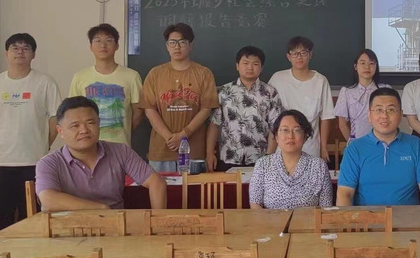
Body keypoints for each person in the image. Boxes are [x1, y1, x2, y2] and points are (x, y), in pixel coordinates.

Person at [0, 33, 62, 232]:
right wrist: (5, 138)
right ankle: (0, 251)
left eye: (26, 48)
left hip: (33, 161)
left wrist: (44, 143)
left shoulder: (45, 82)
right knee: (0, 218)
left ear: (33, 54)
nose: (20, 52)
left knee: (32, 217)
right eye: (15, 48)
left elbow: (55, 117)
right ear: (6, 53)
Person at [35, 97, 167, 211]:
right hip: (68, 228)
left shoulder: (120, 151)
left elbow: (156, 182)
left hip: (115, 227)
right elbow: (48, 199)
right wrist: (100, 209)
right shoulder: (49, 163)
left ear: (99, 123)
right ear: (60, 131)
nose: (84, 130)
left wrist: (158, 221)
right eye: (75, 126)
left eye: (90, 123)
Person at [337, 87, 420, 206]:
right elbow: (345, 193)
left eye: (391, 110)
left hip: (408, 217)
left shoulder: (415, 145)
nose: (384, 115)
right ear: (369, 115)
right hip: (366, 217)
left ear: (400, 115)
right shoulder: (355, 148)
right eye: (378, 110)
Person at [139, 23, 218, 172]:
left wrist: (183, 135)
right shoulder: (155, 74)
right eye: (172, 42)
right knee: (161, 186)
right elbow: (149, 109)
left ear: (190, 45)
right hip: (161, 149)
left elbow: (206, 109)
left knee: (194, 187)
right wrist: (169, 137)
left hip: (194, 150)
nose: (177, 47)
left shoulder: (204, 73)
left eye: (182, 42)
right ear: (167, 46)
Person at [206, 46, 282, 171]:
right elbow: (214, 125)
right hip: (229, 158)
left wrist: (269, 157)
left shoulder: (270, 93)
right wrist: (209, 154)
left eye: (255, 64)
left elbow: (275, 127)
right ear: (237, 66)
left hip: (260, 159)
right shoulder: (224, 92)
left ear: (261, 67)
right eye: (245, 63)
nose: (250, 67)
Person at [69, 23, 144, 146]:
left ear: (117, 46)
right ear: (91, 46)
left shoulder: (132, 76)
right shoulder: (80, 77)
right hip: (88, 146)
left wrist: (124, 131)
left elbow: (139, 112)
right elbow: (73, 112)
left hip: (120, 146)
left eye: (108, 40)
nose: (103, 45)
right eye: (97, 41)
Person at [268, 36, 335, 162]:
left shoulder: (320, 81)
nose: (299, 57)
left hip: (310, 145)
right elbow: (270, 115)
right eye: (295, 53)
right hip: (284, 144)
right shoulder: (278, 79)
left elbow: (326, 117)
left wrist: (323, 146)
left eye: (303, 53)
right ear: (288, 56)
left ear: (310, 55)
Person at [249, 110, 333, 209]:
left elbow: (326, 208)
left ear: (305, 136)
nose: (290, 136)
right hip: (270, 219)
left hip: (308, 219)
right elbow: (255, 204)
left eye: (297, 130)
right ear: (276, 136)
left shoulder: (319, 166)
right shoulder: (263, 164)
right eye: (285, 130)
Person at [334, 49, 390, 142]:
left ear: (376, 66)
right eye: (363, 63)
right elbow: (342, 124)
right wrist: (354, 144)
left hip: (382, 142)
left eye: (371, 63)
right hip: (357, 142)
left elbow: (391, 119)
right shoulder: (347, 92)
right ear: (355, 66)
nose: (367, 67)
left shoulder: (385, 90)